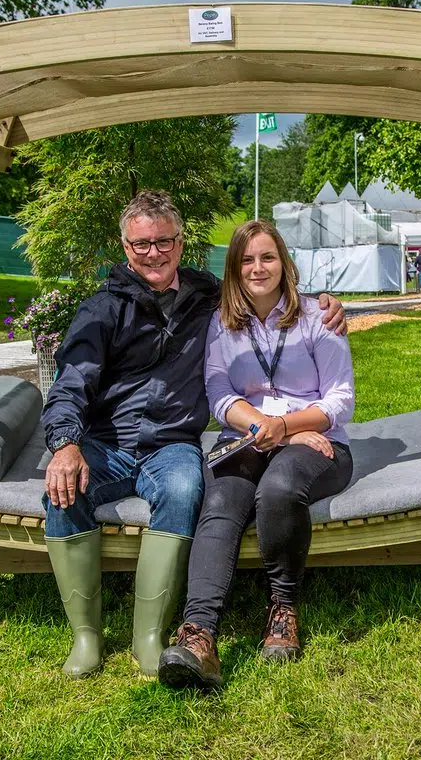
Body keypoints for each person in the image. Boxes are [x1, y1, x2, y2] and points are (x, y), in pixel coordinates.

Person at [40, 190, 346, 679]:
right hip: (105, 443)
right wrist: (66, 444)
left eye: (164, 241)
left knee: (185, 488)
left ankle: (149, 634)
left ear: (181, 244)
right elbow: (71, 380)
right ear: (125, 247)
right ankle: (86, 635)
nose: (154, 253)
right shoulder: (101, 309)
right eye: (142, 244)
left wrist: (323, 303)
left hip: (171, 444)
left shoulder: (207, 296)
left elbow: (264, 295)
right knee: (62, 490)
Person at [158, 219, 355, 689]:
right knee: (222, 501)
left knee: (280, 489)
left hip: (318, 440)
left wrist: (287, 427)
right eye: (246, 259)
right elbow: (218, 390)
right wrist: (264, 428)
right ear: (234, 268)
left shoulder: (318, 317)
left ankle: (283, 608)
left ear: (284, 263)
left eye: (267, 257)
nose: (257, 267)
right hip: (249, 436)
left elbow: (340, 398)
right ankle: (198, 633)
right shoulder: (222, 324)